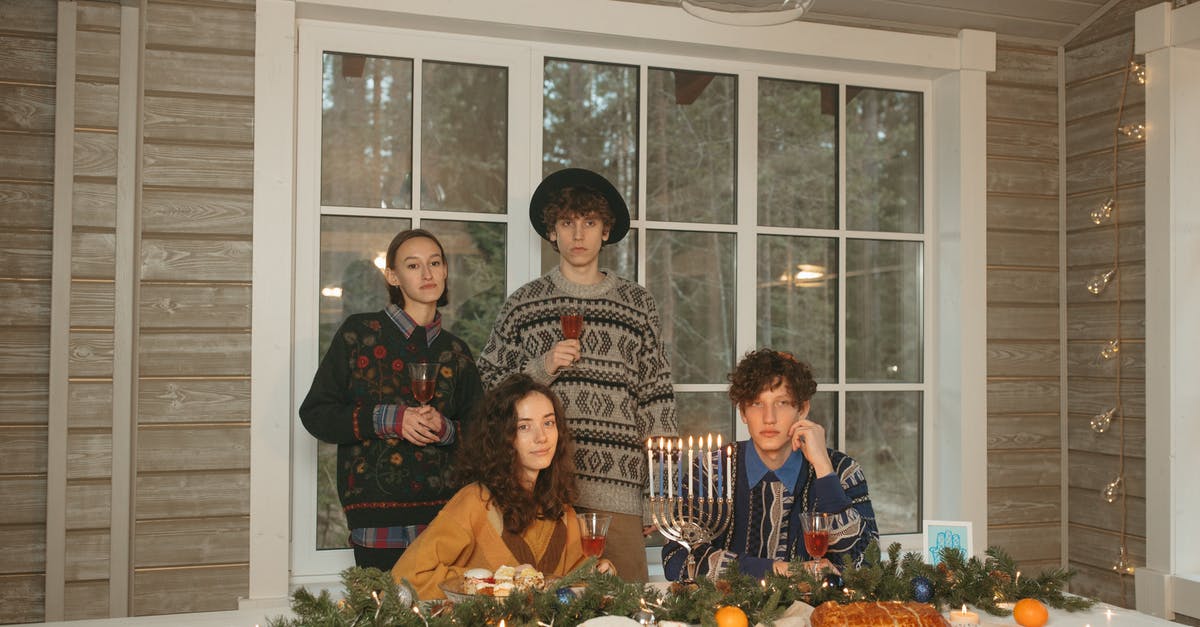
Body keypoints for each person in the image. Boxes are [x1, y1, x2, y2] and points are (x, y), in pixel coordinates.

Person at [477, 168, 678, 581]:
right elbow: (486, 384)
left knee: (625, 612)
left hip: (619, 493)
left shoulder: (637, 304)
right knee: (543, 610)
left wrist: (660, 492)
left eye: (589, 223)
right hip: (540, 493)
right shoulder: (525, 304)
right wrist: (542, 367)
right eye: (567, 224)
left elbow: (657, 400)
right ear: (552, 232)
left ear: (606, 231)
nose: (578, 234)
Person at [300, 228, 484, 572]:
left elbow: (482, 435)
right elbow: (316, 414)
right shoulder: (358, 334)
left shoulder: (457, 352)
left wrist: (445, 429)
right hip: (377, 521)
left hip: (447, 518)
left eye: (434, 263)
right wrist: (390, 419)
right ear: (393, 276)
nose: (427, 274)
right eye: (413, 266)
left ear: (445, 270)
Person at [392, 373, 614, 599]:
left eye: (548, 423)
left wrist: (600, 572)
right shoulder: (475, 502)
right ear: (503, 437)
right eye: (524, 427)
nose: (542, 437)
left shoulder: (561, 509)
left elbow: (573, 581)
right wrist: (496, 581)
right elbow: (406, 576)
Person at [662, 349, 878, 581]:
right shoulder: (712, 471)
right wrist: (782, 570)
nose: (769, 418)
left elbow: (865, 565)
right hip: (727, 614)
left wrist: (824, 469)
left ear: (802, 409)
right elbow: (677, 558)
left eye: (782, 403)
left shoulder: (843, 471)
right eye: (756, 403)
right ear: (743, 412)